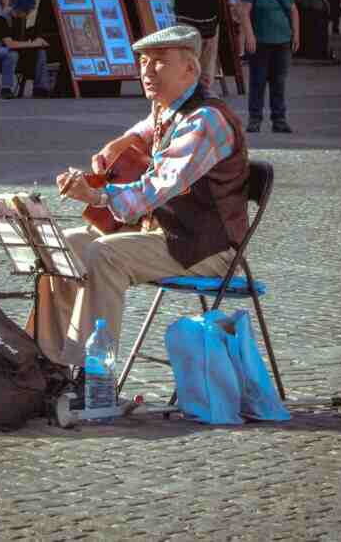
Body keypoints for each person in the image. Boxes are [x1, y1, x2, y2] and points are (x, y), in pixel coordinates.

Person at [31, 25, 250, 370]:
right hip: (166, 234)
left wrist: (99, 195)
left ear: (190, 69)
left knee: (105, 254)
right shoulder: (168, 109)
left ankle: (89, 373)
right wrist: (121, 142)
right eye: (144, 62)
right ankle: (46, 360)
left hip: (207, 247)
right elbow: (147, 128)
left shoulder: (206, 120)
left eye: (159, 62)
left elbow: (158, 185)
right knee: (62, 245)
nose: (146, 71)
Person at [240, 0, 299, 134]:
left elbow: (293, 10)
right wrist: (249, 35)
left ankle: (279, 120)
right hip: (261, 42)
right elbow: (243, 11)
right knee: (257, 82)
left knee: (279, 82)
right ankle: (255, 120)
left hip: (282, 41)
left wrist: (296, 34)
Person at [0, 0, 50, 99]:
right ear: (20, 10)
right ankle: (6, 88)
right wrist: (33, 44)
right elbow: (10, 44)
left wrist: (38, 41)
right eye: (27, 12)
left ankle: (40, 88)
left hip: (17, 51)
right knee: (12, 54)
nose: (27, 15)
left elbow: (22, 41)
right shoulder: (1, 20)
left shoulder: (20, 20)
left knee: (41, 52)